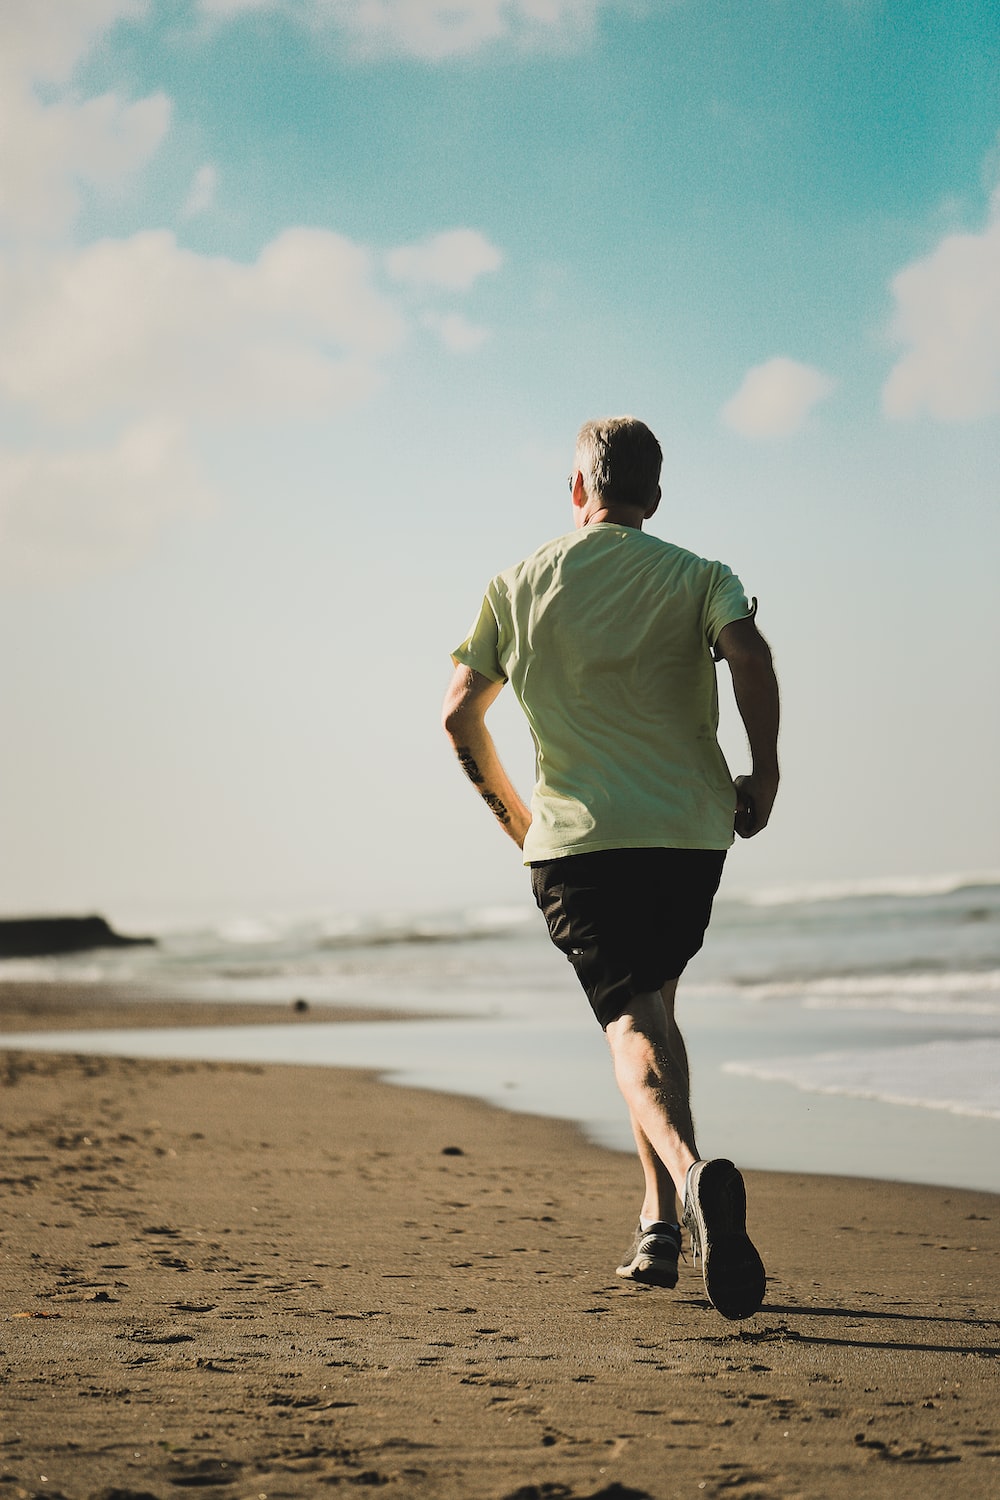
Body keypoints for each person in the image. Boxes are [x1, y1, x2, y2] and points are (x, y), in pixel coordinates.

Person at [442, 416, 779, 1320]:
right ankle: (659, 1226)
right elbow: (750, 654)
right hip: (689, 836)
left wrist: (520, 821)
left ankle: (690, 1176)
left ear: (576, 489)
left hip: (580, 845)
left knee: (630, 1026)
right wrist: (767, 774)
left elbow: (458, 718)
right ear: (654, 498)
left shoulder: (515, 585)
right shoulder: (701, 574)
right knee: (656, 1011)